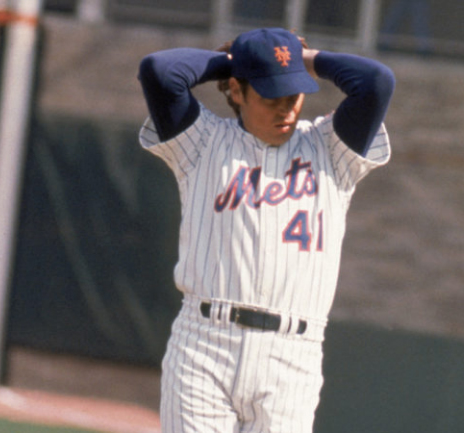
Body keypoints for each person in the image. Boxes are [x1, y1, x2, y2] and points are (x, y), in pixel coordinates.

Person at [138, 27, 395, 433]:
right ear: (237, 91)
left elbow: (376, 82)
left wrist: (299, 60)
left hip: (292, 358)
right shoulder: (201, 142)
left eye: (294, 96)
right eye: (271, 97)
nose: (287, 110)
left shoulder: (331, 147)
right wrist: (236, 62)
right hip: (204, 345)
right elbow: (159, 71)